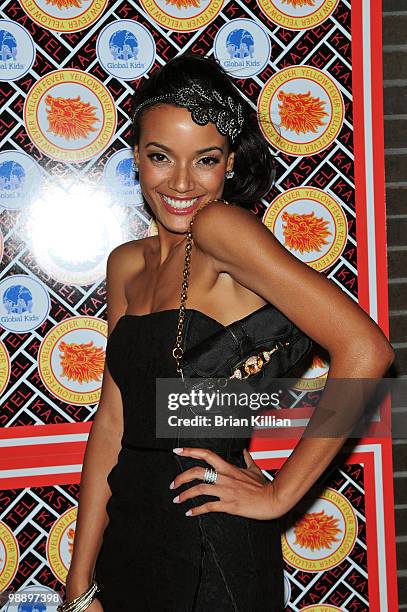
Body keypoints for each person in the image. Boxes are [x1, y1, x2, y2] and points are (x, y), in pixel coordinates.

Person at [63, 53, 395, 612]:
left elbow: (366, 349)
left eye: (206, 160)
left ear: (231, 163)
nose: (182, 182)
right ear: (137, 160)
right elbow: (113, 421)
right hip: (129, 537)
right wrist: (80, 579)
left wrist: (280, 495)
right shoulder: (124, 264)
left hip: (208, 540)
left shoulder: (221, 229)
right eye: (161, 157)